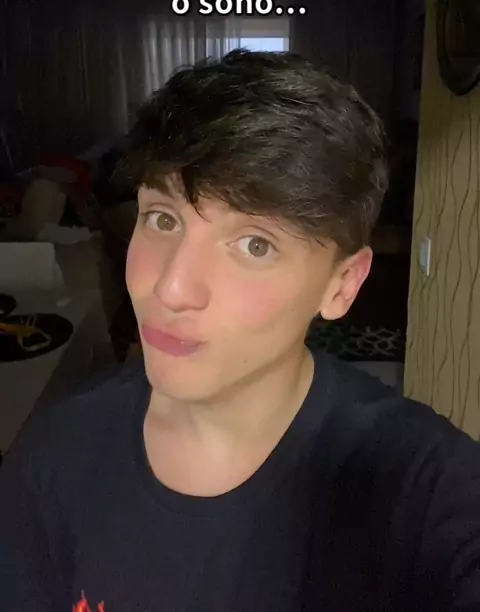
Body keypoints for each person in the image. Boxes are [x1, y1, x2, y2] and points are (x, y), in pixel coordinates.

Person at [1, 49, 479, 612]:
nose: (171, 288)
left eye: (255, 244)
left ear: (342, 285)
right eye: (162, 219)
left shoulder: (425, 489)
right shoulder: (54, 453)